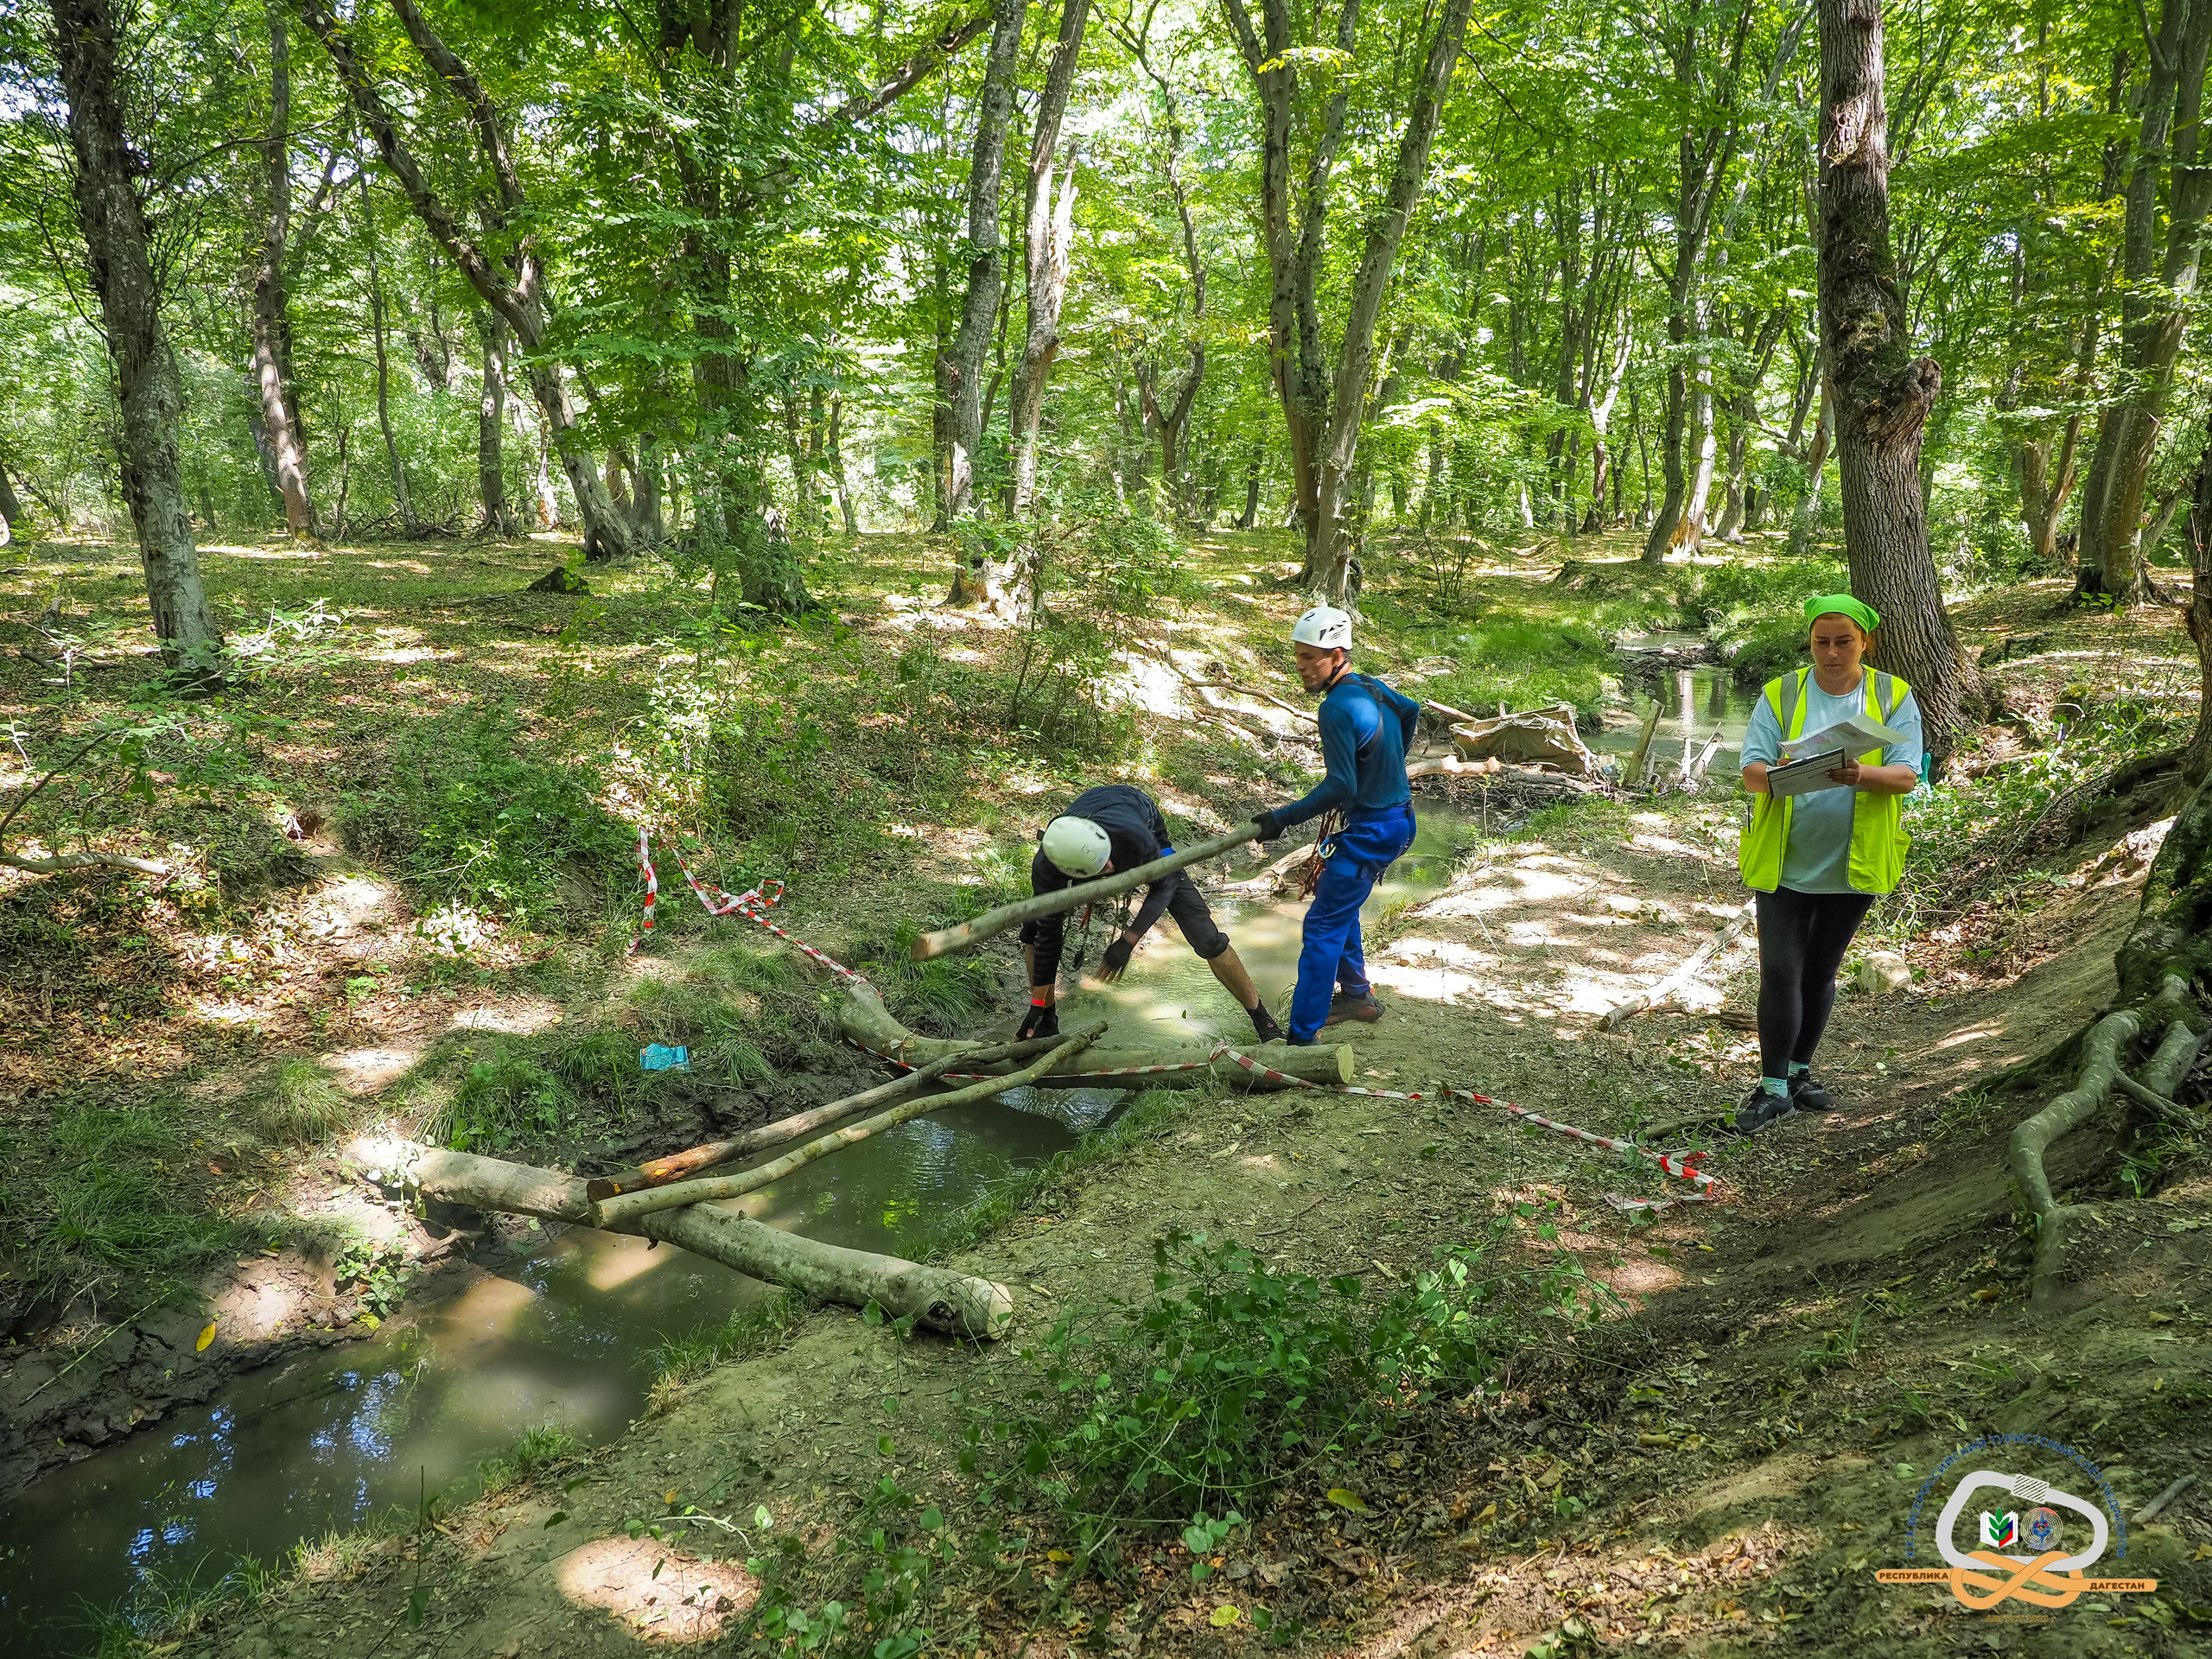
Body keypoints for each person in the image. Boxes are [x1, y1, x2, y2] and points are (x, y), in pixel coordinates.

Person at [1731, 594, 1924, 1134]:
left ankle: (1797, 1074)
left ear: (1867, 641)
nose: (1832, 652)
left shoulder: (1893, 696)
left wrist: (1859, 774)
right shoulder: (1781, 693)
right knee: (1781, 970)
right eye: (1822, 642)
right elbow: (1751, 771)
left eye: (1844, 641)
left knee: (1820, 971)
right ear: (1810, 643)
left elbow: (1907, 775)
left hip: (1853, 863)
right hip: (1785, 860)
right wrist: (1788, 772)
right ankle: (1771, 1090)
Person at [1251, 606, 1422, 1046]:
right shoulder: (1371, 687)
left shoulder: (1335, 709)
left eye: (1311, 657)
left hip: (1373, 832)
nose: (1302, 666)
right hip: (1397, 821)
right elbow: (1410, 711)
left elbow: (1340, 785)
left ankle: (1301, 1039)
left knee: (1321, 928)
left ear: (1337, 653)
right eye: (1299, 656)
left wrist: (1280, 820)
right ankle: (1357, 998)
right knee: (1337, 905)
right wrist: (1388, 766)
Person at [1016, 782, 1285, 1043]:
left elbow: (1164, 886)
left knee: (1206, 937)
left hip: (1138, 815)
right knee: (1034, 928)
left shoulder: (1133, 835)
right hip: (1094, 830)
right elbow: (1048, 938)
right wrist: (1038, 1004)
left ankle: (1263, 1020)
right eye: (1103, 869)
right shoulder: (1047, 866)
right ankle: (1047, 1021)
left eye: (1109, 861)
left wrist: (1128, 940)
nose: (1111, 867)